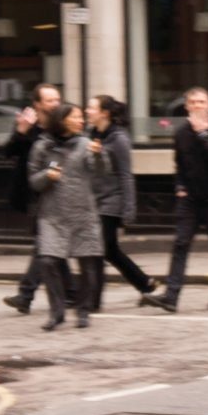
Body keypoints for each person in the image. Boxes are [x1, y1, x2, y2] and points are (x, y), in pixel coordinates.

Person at [156, 87, 208, 311]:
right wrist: (179, 186)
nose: (197, 106)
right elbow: (179, 163)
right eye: (193, 102)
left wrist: (203, 135)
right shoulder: (181, 132)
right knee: (181, 244)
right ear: (187, 106)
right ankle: (171, 297)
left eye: (202, 102)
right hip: (190, 198)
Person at [26, 104, 102, 332]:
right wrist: (47, 176)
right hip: (53, 215)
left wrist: (99, 156)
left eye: (82, 116)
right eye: (76, 116)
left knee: (88, 264)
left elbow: (99, 174)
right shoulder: (42, 147)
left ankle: (83, 310)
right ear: (62, 120)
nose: (81, 120)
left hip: (83, 213)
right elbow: (32, 181)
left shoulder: (87, 144)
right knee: (48, 261)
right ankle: (57, 313)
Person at [84, 96, 160, 311]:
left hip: (112, 201)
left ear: (104, 113)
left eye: (91, 108)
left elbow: (126, 176)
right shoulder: (92, 134)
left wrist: (128, 209)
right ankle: (145, 283)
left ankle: (94, 301)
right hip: (95, 201)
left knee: (99, 249)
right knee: (109, 250)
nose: (87, 111)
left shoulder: (119, 139)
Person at [1, 82, 65, 316]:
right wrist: (20, 131)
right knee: (47, 245)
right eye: (50, 100)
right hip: (33, 194)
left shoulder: (62, 125)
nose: (56, 104)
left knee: (45, 245)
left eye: (57, 99)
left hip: (58, 192)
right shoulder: (28, 127)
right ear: (37, 105)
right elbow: (8, 152)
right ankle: (72, 293)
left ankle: (26, 295)